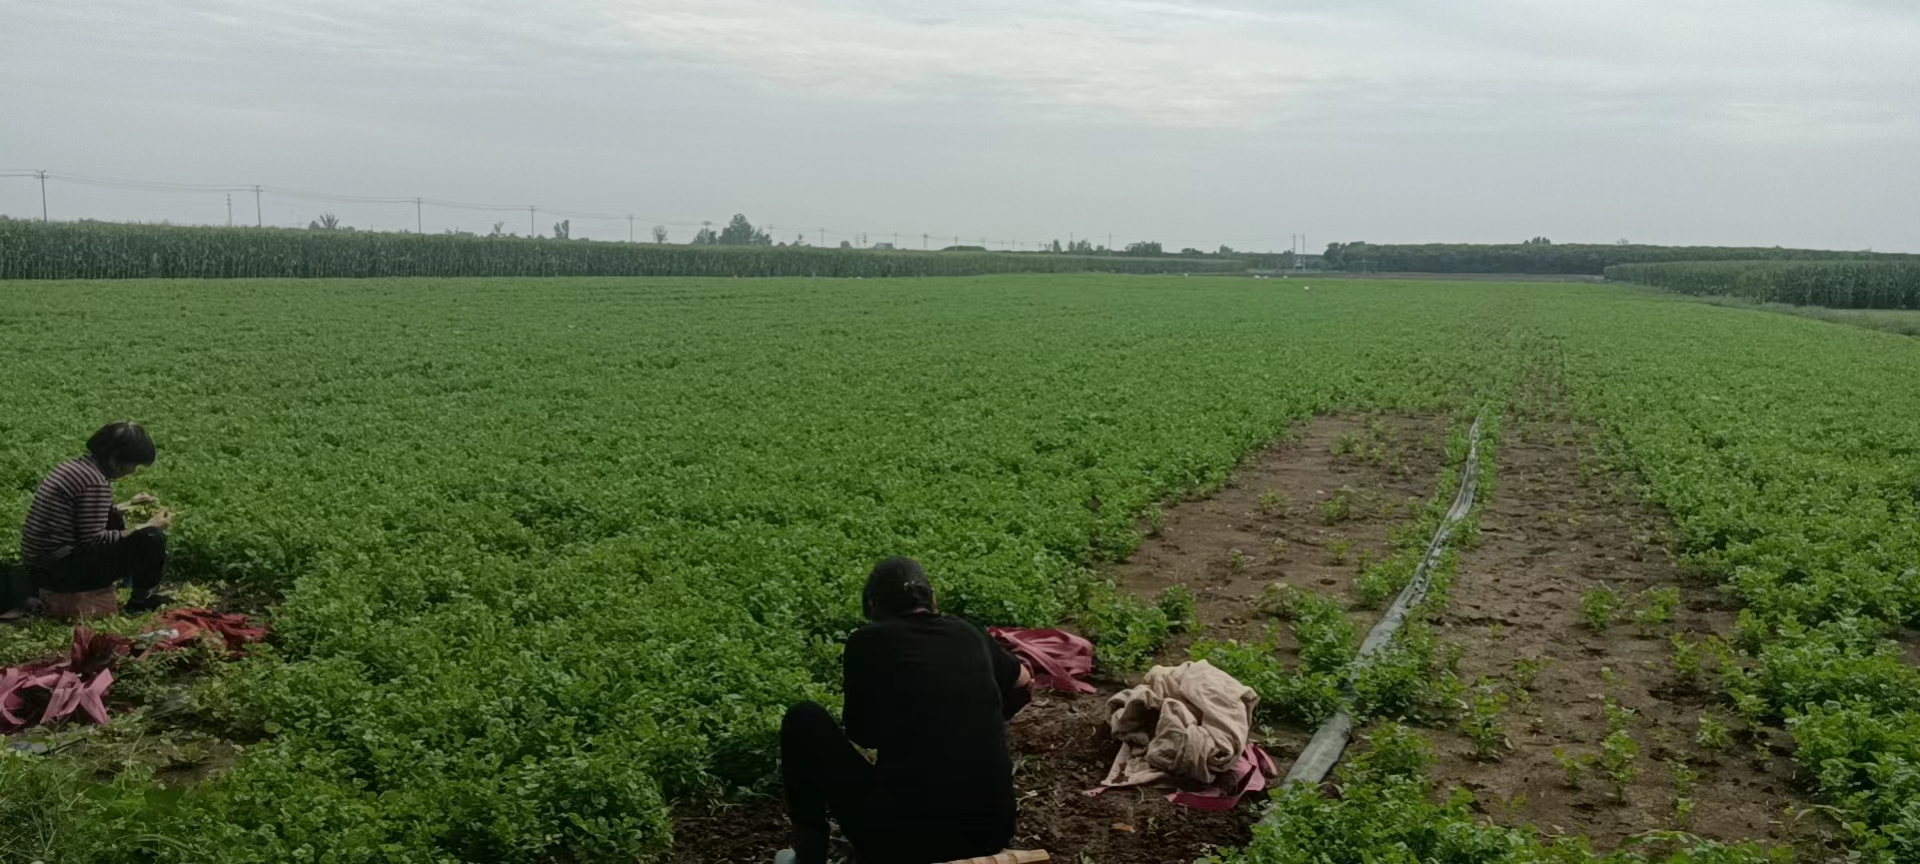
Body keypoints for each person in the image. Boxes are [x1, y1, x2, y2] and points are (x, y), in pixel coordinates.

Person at [777, 557, 1032, 864]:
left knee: (802, 719)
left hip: (904, 842)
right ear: (932, 599)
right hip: (992, 832)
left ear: (873, 606)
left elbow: (863, 733)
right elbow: (1023, 682)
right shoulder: (967, 633)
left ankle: (809, 853)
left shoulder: (867, 642)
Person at [18, 421, 174, 613]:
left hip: (40, 567)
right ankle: (141, 602)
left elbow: (82, 515)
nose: (132, 471)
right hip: (58, 571)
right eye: (133, 464)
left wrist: (126, 506)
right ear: (117, 461)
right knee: (152, 539)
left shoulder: (75, 468)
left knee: (122, 523)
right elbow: (93, 541)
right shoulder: (95, 482)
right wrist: (148, 526)